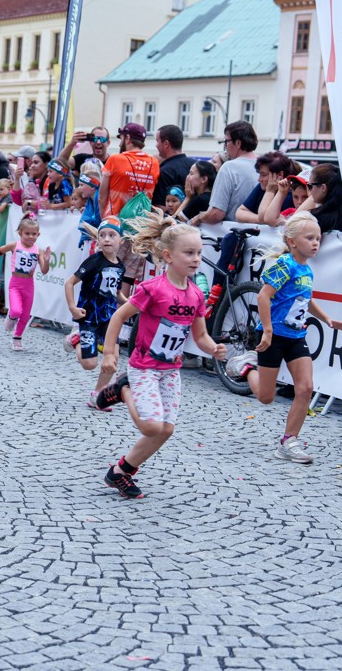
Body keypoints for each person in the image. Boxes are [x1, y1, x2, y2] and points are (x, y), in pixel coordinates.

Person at [90, 211, 226, 499]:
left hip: (170, 370)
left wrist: (213, 348)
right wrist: (109, 353)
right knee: (152, 426)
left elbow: (200, 336)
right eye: (189, 253)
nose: (196, 259)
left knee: (166, 430)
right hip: (144, 367)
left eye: (199, 253)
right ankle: (123, 389)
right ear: (167, 256)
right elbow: (118, 316)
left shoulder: (196, 295)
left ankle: (121, 472)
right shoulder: (153, 289)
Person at [250, 213, 342, 464]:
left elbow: (305, 298)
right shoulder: (285, 264)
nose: (316, 243)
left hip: (296, 336)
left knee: (305, 388)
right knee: (266, 397)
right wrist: (267, 330)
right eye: (310, 238)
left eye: (318, 238)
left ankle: (289, 442)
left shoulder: (307, 269)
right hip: (274, 335)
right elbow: (263, 296)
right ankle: (245, 368)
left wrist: (327, 319)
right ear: (292, 241)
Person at [67, 218, 125, 405]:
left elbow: (115, 292)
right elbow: (69, 283)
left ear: (121, 240)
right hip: (89, 317)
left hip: (109, 319)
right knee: (89, 364)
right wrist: (73, 308)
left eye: (112, 235)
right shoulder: (94, 261)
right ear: (98, 240)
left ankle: (98, 394)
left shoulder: (120, 266)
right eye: (102, 235)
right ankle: (76, 339)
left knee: (113, 357)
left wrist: (130, 304)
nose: (107, 239)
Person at [0, 214, 52, 351]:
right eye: (27, 233)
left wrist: (46, 261)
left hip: (28, 285)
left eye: (34, 234)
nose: (30, 237)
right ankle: (11, 316)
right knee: (16, 310)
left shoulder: (38, 250)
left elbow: (44, 271)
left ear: (38, 235)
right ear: (20, 233)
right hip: (15, 284)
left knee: (26, 315)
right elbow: (0, 251)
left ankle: (17, 337)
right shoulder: (15, 245)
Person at [196, 121, 260, 225]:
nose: (225, 146)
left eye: (226, 141)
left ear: (238, 143)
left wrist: (198, 218)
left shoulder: (229, 168)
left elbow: (217, 214)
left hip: (232, 230)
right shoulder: (265, 166)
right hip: (263, 230)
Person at [99, 123, 159, 217]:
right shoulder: (154, 163)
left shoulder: (115, 159)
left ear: (127, 138)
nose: (119, 144)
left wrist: (104, 219)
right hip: (141, 222)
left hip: (115, 220)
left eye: (121, 139)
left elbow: (102, 197)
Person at [235, 151, 298, 225]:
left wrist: (270, 191)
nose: (259, 179)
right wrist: (260, 220)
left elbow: (262, 217)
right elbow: (240, 213)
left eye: (263, 175)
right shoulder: (261, 188)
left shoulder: (292, 195)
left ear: (280, 175)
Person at [151, 125, 191, 208]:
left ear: (166, 144)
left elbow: (160, 208)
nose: (156, 145)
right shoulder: (195, 166)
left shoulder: (165, 171)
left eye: (157, 141)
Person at [182, 160, 216, 225]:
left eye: (191, 173)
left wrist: (187, 198)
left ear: (204, 179)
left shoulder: (200, 199)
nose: (187, 177)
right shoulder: (212, 196)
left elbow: (175, 221)